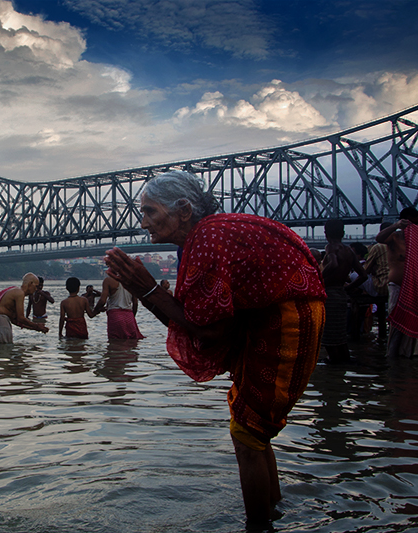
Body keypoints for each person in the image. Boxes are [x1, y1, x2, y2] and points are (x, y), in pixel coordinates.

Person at [103, 170, 326, 530]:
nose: (143, 223)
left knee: (247, 433)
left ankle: (259, 526)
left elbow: (208, 330)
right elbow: (196, 321)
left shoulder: (207, 236)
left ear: (185, 210)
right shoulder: (205, 236)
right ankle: (273, 512)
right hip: (278, 312)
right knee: (250, 427)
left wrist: (146, 288)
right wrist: (144, 289)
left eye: (149, 211)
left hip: (286, 314)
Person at [321, 219, 367, 363]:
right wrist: (348, 288)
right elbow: (363, 276)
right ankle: (344, 368)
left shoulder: (331, 247)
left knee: (328, 336)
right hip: (341, 295)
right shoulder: (349, 251)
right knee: (340, 337)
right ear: (343, 233)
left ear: (325, 233)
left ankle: (334, 372)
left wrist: (318, 278)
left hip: (329, 295)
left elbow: (333, 264)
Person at [376, 207, 418, 357]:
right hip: (397, 286)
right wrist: (395, 226)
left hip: (415, 288)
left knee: (415, 322)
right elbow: (379, 238)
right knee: (396, 322)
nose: (415, 227)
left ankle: (410, 356)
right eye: (412, 224)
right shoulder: (394, 237)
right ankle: (393, 356)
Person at [0, 273, 49, 344]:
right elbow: (21, 318)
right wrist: (37, 325)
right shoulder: (20, 293)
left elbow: (15, 320)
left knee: (3, 349)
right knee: (4, 350)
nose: (36, 289)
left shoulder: (14, 290)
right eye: (36, 286)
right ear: (30, 284)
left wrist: (36, 328)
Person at [364, 222, 391, 343]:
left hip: (381, 287)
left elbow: (365, 270)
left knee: (355, 276)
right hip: (402, 286)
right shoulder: (405, 245)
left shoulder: (378, 247)